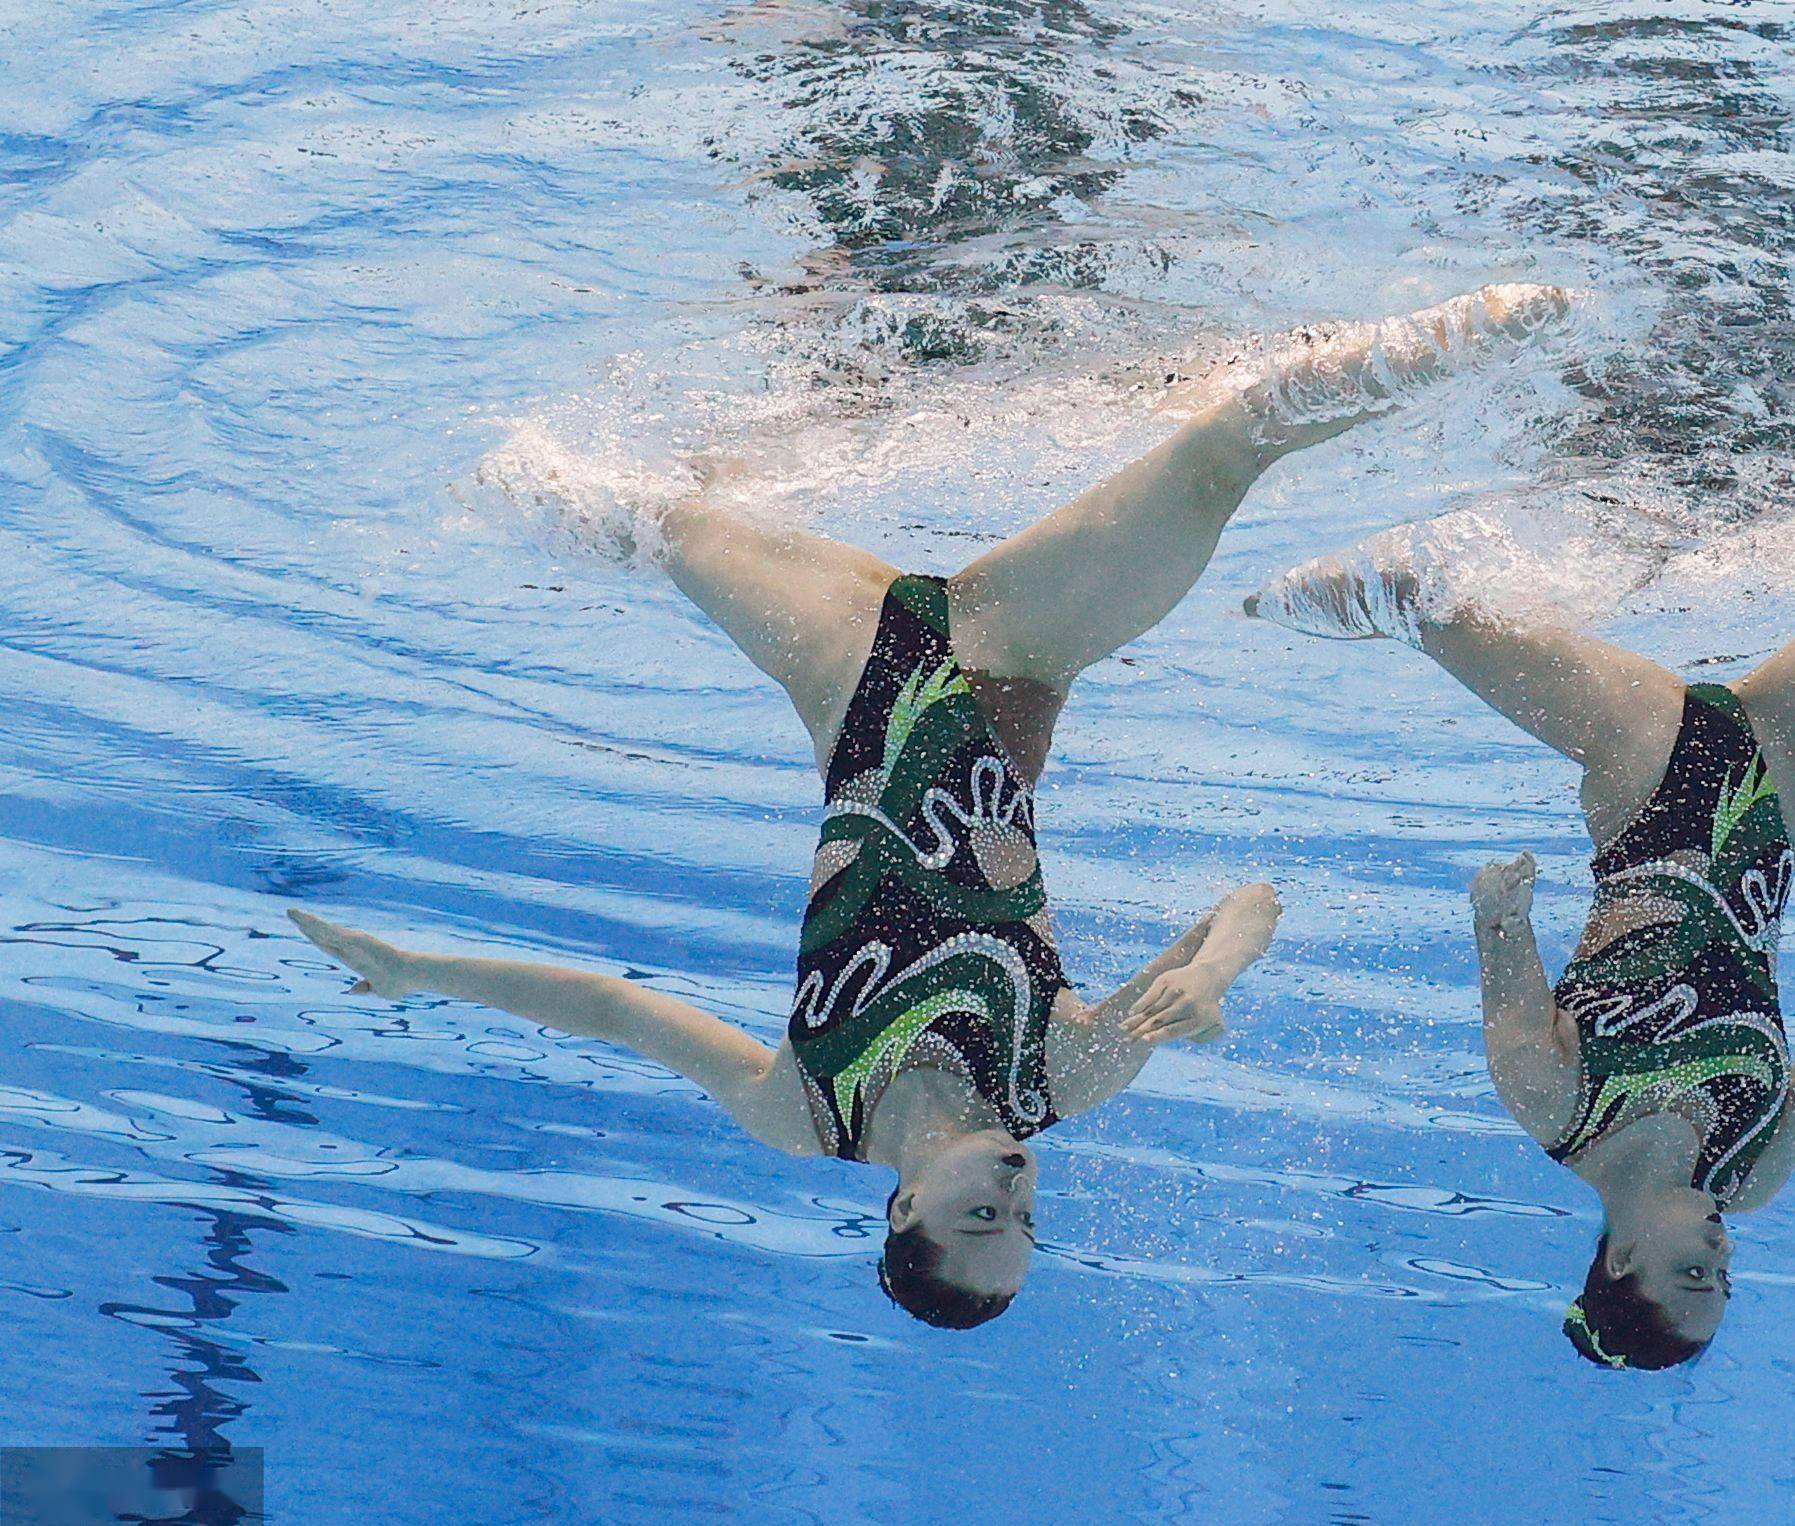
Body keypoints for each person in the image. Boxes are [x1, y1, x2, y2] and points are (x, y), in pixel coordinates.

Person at [289, 283, 1576, 1329]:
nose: (1014, 1196)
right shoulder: (1061, 1076)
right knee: (1216, 457)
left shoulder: (804, 1109)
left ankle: (767, 386)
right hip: (1012, 662)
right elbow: (1251, 898)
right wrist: (1215, 971)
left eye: (980, 1220)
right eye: (1023, 1223)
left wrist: (419, 968)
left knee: (647, 516)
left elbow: (615, 1008)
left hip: (846, 670)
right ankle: (1484, 331)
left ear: (902, 1214)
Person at [1247, 494, 1795, 1366]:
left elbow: (1499, 945)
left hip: (1652, 770)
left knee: (1421, 599)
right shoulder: (1750, 1174)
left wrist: (1501, 908)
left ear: (1620, 1263)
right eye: (1725, 1280)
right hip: (1786, 777)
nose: (1719, 1257)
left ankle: (1255, 577)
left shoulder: (1557, 1105)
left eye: (1691, 1274)